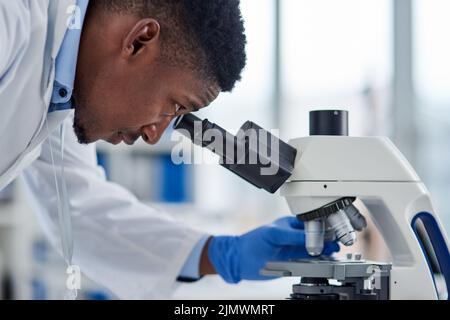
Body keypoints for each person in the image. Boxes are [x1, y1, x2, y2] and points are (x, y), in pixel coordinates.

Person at [0, 0, 339, 299]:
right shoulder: (12, 19)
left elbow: (80, 208)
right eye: (171, 107)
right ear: (139, 40)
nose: (153, 135)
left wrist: (221, 254)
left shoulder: (61, 91)